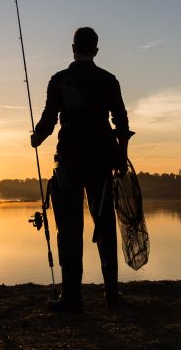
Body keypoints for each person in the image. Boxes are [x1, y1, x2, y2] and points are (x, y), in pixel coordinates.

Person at [31, 26, 134, 311]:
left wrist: (37, 137)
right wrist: (121, 159)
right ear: (96, 51)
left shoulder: (59, 80)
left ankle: (72, 297)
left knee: (69, 229)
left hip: (69, 163)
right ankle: (111, 294)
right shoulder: (109, 80)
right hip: (101, 162)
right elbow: (121, 122)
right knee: (105, 226)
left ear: (72, 47)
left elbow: (49, 119)